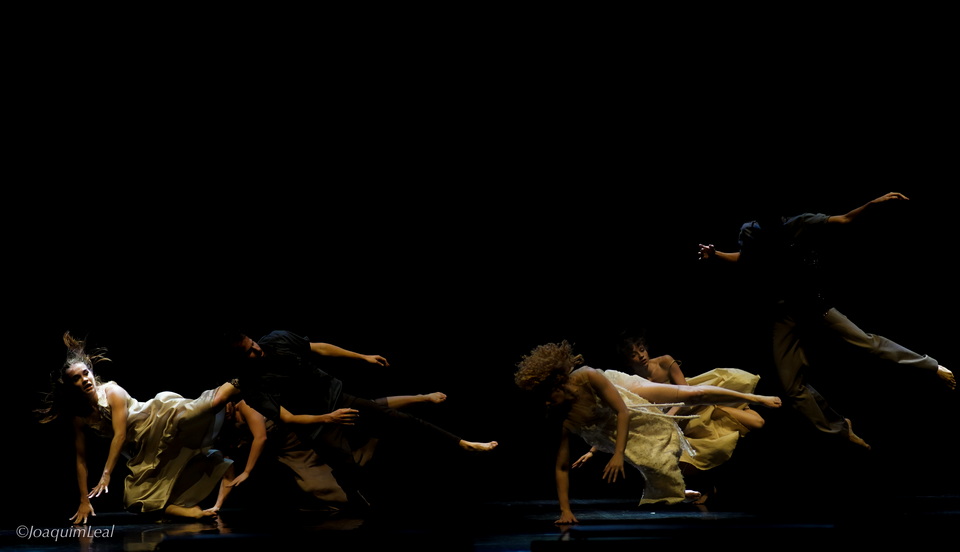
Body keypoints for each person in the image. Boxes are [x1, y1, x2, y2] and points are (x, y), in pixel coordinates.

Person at [697, 192, 955, 450]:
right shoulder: (750, 231)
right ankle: (840, 428)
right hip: (783, 315)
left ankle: (931, 366)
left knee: (867, 343)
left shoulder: (800, 223)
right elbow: (746, 259)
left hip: (813, 306)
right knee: (792, 387)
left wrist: (872, 204)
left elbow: (844, 219)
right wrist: (716, 255)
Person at [513, 340, 781, 525]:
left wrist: (618, 454)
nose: (546, 403)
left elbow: (622, 410)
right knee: (658, 464)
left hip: (622, 391)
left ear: (558, 383)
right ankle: (689, 491)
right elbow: (561, 467)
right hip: (613, 422)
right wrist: (565, 510)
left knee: (690, 394)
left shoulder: (587, 375)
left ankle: (754, 399)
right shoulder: (564, 418)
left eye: (548, 396)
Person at [220, 329, 498, 506]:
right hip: (317, 426)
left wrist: (361, 357)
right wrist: (328, 419)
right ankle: (367, 515)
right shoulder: (252, 386)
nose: (257, 350)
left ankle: (463, 443)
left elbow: (319, 348)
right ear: (238, 358)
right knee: (349, 473)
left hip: (337, 397)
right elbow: (288, 419)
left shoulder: (276, 340)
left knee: (399, 420)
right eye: (249, 352)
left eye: (254, 344)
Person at [35, 332, 244, 525]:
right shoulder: (79, 417)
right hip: (144, 451)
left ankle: (246, 377)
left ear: (91, 372)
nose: (84, 380)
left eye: (85, 373)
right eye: (76, 378)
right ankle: (190, 513)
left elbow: (120, 435)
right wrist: (84, 500)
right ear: (70, 386)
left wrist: (106, 474)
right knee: (135, 500)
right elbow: (81, 459)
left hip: (158, 420)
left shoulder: (112, 392)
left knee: (207, 406)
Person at [215, 392, 450, 512]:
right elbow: (227, 471)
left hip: (310, 430)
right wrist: (217, 506)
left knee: (369, 406)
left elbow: (262, 436)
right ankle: (365, 489)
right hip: (295, 454)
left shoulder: (248, 404)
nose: (225, 408)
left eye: (224, 403)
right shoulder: (226, 431)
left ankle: (421, 398)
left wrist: (248, 471)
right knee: (320, 489)